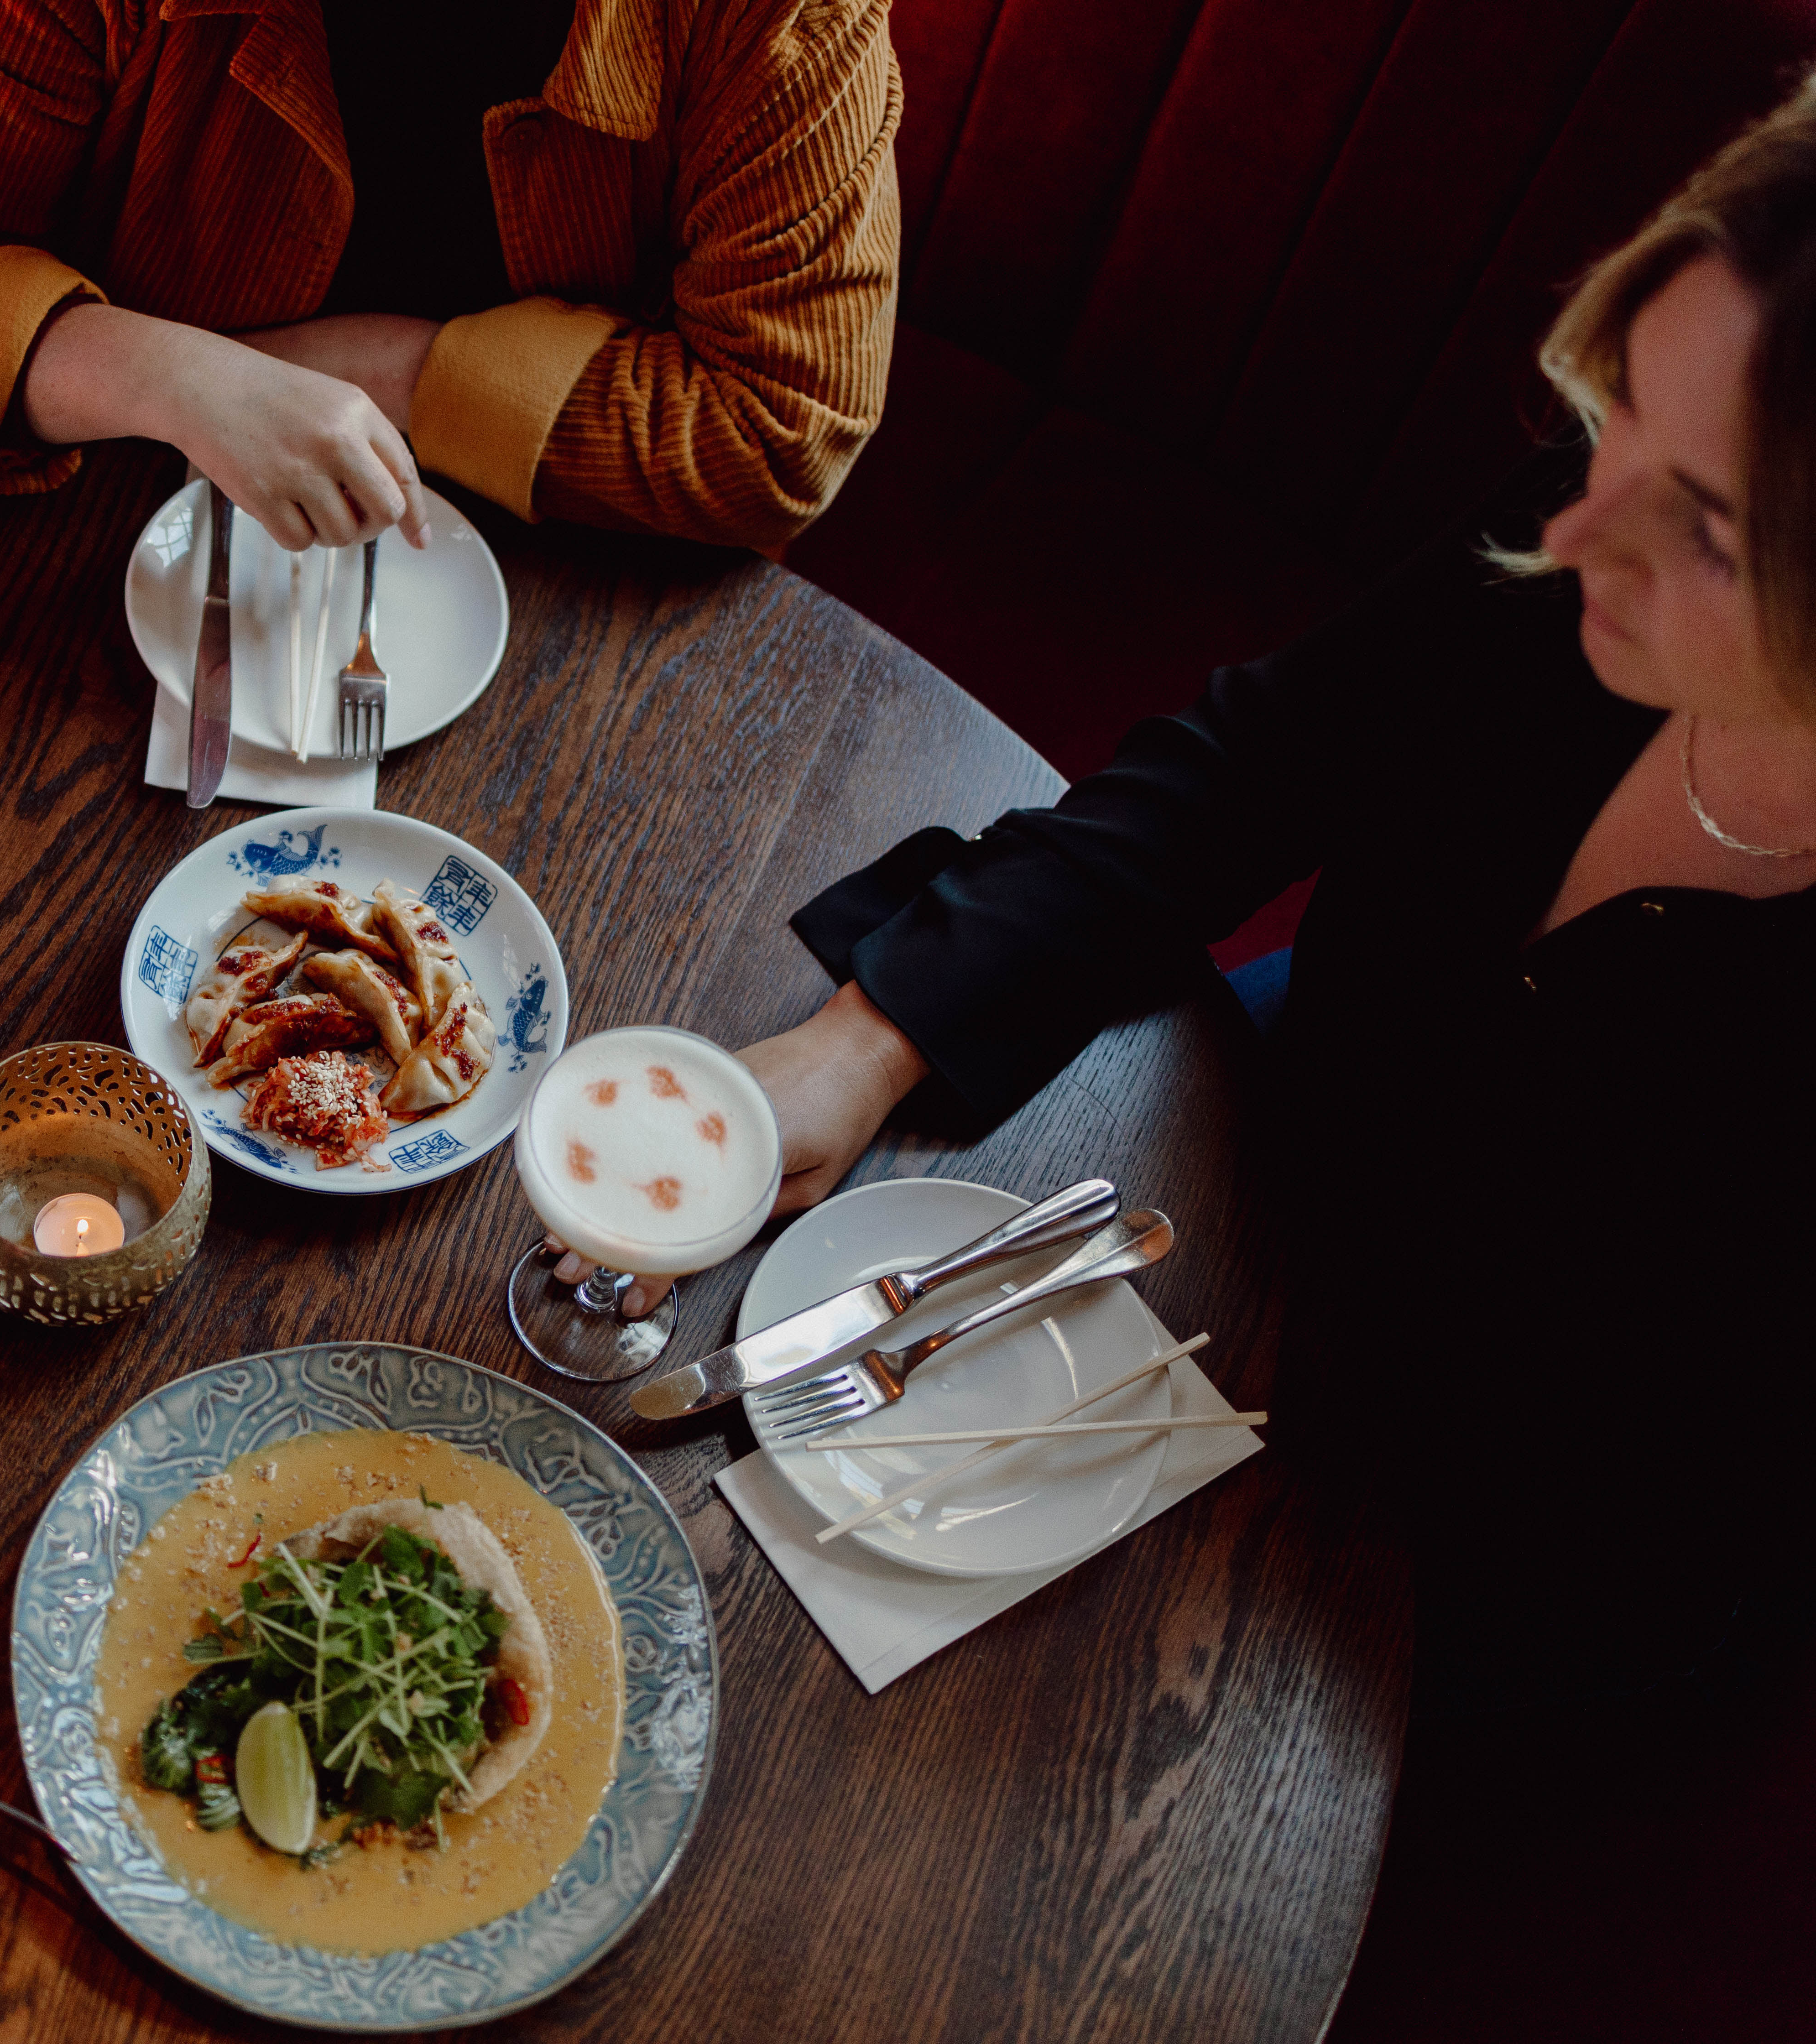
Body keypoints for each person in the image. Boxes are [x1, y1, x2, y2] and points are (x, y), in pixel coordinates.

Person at [702, 78, 1816, 2030]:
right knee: (736, 1534)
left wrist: (1221, 1507)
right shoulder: (1600, 526)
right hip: (1270, 1166)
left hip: (1534, 1524)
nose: (1575, 526)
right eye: (1614, 405)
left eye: (1704, 527)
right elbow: (1270, 755)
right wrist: (870, 1038)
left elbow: (1683, 1512)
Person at [0, 0, 898, 555]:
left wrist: (367, 369)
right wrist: (169, 378)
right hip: (108, 524)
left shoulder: (785, 14)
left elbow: (782, 423)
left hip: (587, 546)